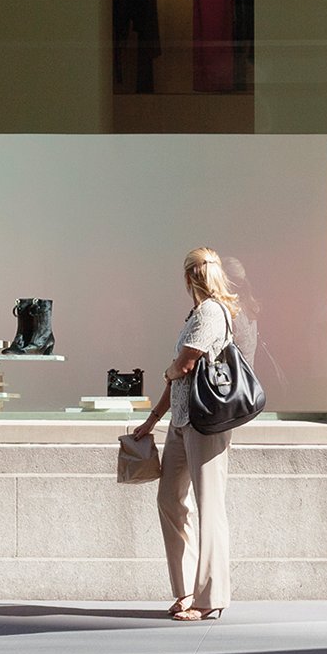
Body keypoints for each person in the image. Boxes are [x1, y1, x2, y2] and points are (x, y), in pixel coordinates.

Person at [131, 247, 243, 621]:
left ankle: (211, 597)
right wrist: (154, 419)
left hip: (205, 422)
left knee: (210, 505)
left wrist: (169, 370)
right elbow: (178, 378)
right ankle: (186, 590)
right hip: (182, 421)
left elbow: (185, 364)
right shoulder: (195, 314)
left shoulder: (211, 312)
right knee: (170, 499)